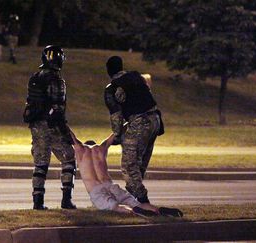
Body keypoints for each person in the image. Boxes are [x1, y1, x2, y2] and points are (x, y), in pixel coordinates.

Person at [69, 128, 183, 217]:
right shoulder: (101, 149)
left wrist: (60, 121)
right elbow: (113, 135)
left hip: (96, 190)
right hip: (111, 185)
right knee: (137, 203)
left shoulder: (80, 150)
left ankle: (133, 211)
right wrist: (126, 122)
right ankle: (157, 210)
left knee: (115, 207)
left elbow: (71, 136)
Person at [104, 56, 164, 206]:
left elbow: (116, 116)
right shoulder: (137, 77)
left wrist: (117, 135)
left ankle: (144, 202)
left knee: (129, 166)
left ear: (109, 71)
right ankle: (133, 199)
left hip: (139, 122)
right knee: (139, 164)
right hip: (155, 120)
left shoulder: (112, 88)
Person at [23, 45, 76, 210]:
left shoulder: (35, 77)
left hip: (36, 125)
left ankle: (37, 201)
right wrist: (66, 132)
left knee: (40, 163)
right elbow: (57, 108)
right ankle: (66, 199)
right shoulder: (57, 80)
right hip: (52, 125)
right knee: (69, 159)